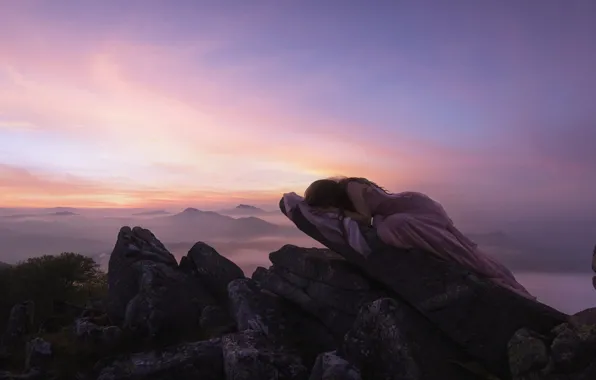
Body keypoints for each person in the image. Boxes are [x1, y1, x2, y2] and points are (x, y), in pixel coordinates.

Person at [304, 177, 533, 298]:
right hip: (394, 214)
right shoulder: (346, 196)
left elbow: (364, 218)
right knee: (388, 227)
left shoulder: (351, 186)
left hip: (413, 208)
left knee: (390, 228)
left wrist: (338, 213)